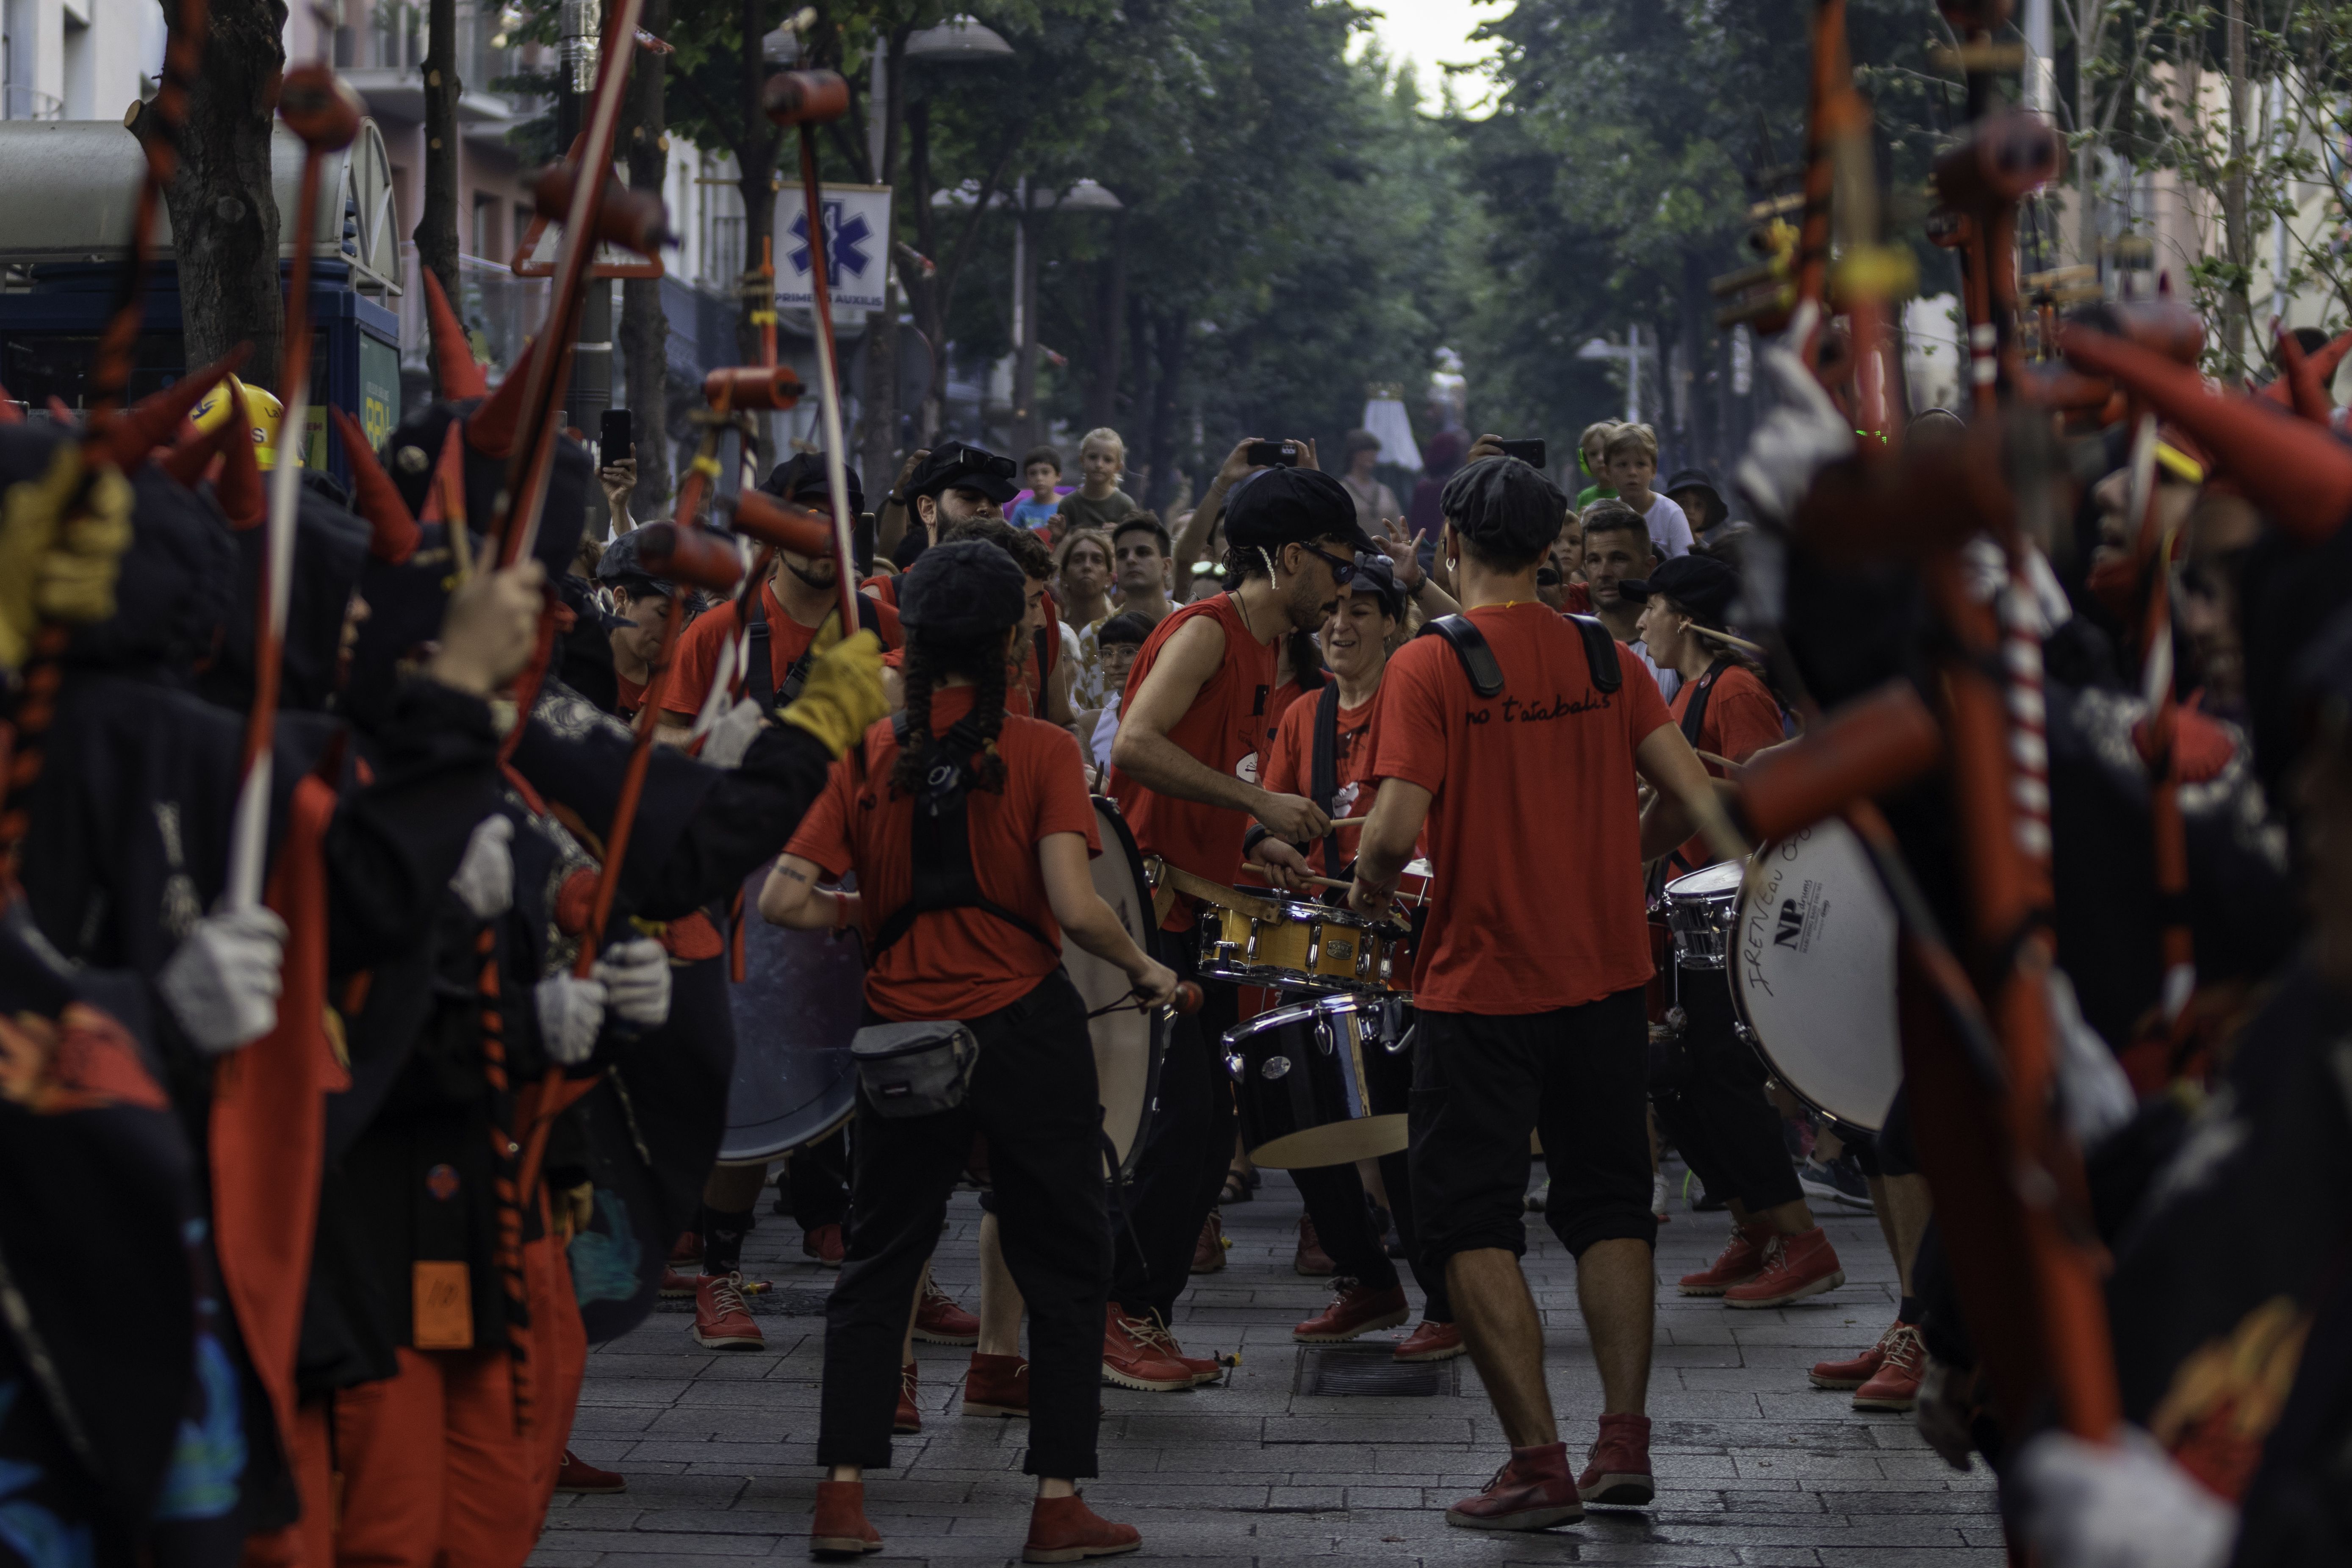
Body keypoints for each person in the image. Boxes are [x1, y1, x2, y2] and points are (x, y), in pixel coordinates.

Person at [761, 539, 1174, 1565]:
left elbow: (780, 896)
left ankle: (843, 1495)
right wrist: (1147, 967)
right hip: (1024, 1030)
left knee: (881, 1258)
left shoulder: (865, 752)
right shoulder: (1037, 751)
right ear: (1007, 645)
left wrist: (872, 908)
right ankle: (1056, 1502)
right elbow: (1076, 909)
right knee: (1064, 1260)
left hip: (903, 1033)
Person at [1346, 454, 1737, 1530]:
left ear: (1454, 544)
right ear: (1554, 548)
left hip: (1481, 983)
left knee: (1468, 1214)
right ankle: (1623, 1438)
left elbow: (1385, 836)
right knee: (1610, 1200)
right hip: (1605, 975)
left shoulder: (1430, 665)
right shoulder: (1606, 655)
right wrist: (1618, 861)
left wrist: (1371, 884)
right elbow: (1692, 796)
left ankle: (1536, 1460)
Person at [1101, 458, 1380, 1387]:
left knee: (1201, 1118)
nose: (1344, 586)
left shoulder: (1262, 647)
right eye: (1338, 564)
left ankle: (1134, 1313)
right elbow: (1137, 747)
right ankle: (1123, 1315)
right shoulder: (1208, 631)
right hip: (1145, 913)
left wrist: (1252, 840)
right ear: (1292, 555)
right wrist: (1257, 809)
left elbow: (1193, 773)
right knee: (1185, 1122)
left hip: (1186, 903)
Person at [1244, 552, 1460, 1363]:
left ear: (1395, 625)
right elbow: (1263, 809)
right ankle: (1366, 1277)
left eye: (1362, 611)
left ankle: (1445, 1298)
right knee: (1298, 1110)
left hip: (1418, 940)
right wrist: (1264, 839)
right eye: (1332, 609)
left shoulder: (1424, 698)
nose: (1340, 625)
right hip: (1328, 939)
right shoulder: (1303, 715)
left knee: (1407, 1132)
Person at [1620, 553, 1847, 1310]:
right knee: (1678, 1078)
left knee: (1718, 1073)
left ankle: (1800, 1237)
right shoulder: (1686, 691)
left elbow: (1764, 805)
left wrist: (1680, 787)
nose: (1642, 622)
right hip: (1695, 922)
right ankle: (1757, 1228)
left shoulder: (1736, 687)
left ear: (1684, 616)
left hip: (1736, 920)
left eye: (1650, 607)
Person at [1580, 502, 1678, 699]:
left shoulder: (1676, 646)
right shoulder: (1571, 640)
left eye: (1618, 559)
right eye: (1594, 560)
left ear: (1649, 567)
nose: (1604, 573)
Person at [594, 525, 680, 715]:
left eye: (683, 617)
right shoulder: (582, 678)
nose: (675, 629)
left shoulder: (674, 684)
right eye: (664, 614)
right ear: (621, 600)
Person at [1600, 424, 1692, 562]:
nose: (1632, 472)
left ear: (1654, 470)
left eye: (1641, 464)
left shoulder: (1672, 514)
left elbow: (1687, 567)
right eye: (1623, 465)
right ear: (1608, 472)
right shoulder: (1605, 517)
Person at [1054, 527, 1117, 710]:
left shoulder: (1121, 629)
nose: (1087, 566)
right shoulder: (1056, 632)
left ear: (1108, 578)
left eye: (1097, 560)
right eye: (1078, 560)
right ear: (1064, 576)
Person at [1083, 612, 1150, 776]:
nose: (1115, 663)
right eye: (1107, 654)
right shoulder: (1090, 724)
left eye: (1127, 652)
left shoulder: (1174, 716)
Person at [1053, 427, 1140, 534]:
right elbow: (1061, 548)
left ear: (1118, 467)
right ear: (1082, 460)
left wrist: (1121, 533)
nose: (1099, 465)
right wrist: (1059, 536)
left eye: (1108, 460)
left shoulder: (1126, 505)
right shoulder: (1069, 505)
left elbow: (1135, 544)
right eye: (1093, 457)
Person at [1109, 511, 1177, 627]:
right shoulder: (1094, 635)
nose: (1130, 560)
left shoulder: (1190, 623)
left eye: (1143, 553)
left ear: (1166, 566)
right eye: (1122, 555)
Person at [1338, 428, 1402, 538]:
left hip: (1382, 553)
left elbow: (1400, 529)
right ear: (1354, 454)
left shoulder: (1385, 492)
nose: (1372, 455)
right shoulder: (1339, 490)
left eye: (1374, 451)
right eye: (1366, 451)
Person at [1663, 466, 1735, 549]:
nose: (1691, 511)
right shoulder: (1656, 552)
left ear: (1707, 514)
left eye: (1699, 505)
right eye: (1683, 503)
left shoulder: (1711, 557)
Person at [1009, 444, 1067, 535]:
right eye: (1033, 473)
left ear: (1058, 476)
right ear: (1026, 478)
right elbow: (1011, 539)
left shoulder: (1067, 506)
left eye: (1045, 472)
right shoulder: (1022, 509)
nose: (1039, 478)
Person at [1574, 420, 1619, 508]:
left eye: (1607, 452)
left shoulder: (1630, 494)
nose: (1600, 459)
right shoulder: (1584, 497)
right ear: (1585, 460)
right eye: (1593, 454)